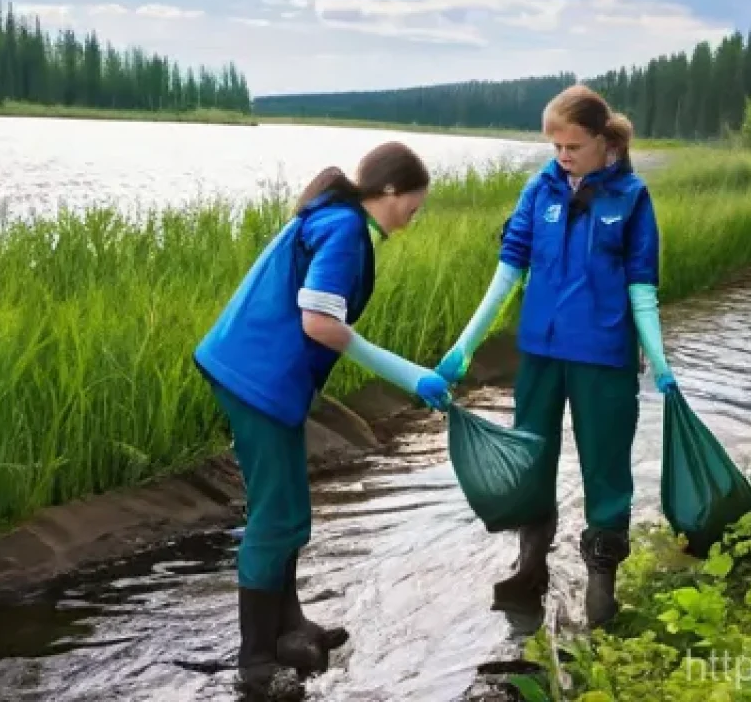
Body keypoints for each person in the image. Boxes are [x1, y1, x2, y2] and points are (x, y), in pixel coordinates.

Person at [192, 141, 452, 698]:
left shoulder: (340, 223)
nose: (416, 212)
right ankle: (256, 660)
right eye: (415, 201)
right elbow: (318, 322)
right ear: (388, 191)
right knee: (276, 518)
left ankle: (290, 628)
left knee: (289, 513)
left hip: (263, 375)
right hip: (253, 376)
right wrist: (410, 375)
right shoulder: (344, 231)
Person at [435, 85, 677, 629]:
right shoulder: (539, 190)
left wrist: (659, 362)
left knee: (607, 466)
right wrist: (464, 345)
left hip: (604, 356)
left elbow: (642, 288)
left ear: (600, 140)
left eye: (572, 145)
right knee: (531, 456)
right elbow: (508, 272)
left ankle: (602, 585)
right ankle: (530, 566)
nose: (563, 155)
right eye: (555, 146)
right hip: (540, 354)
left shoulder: (632, 198)